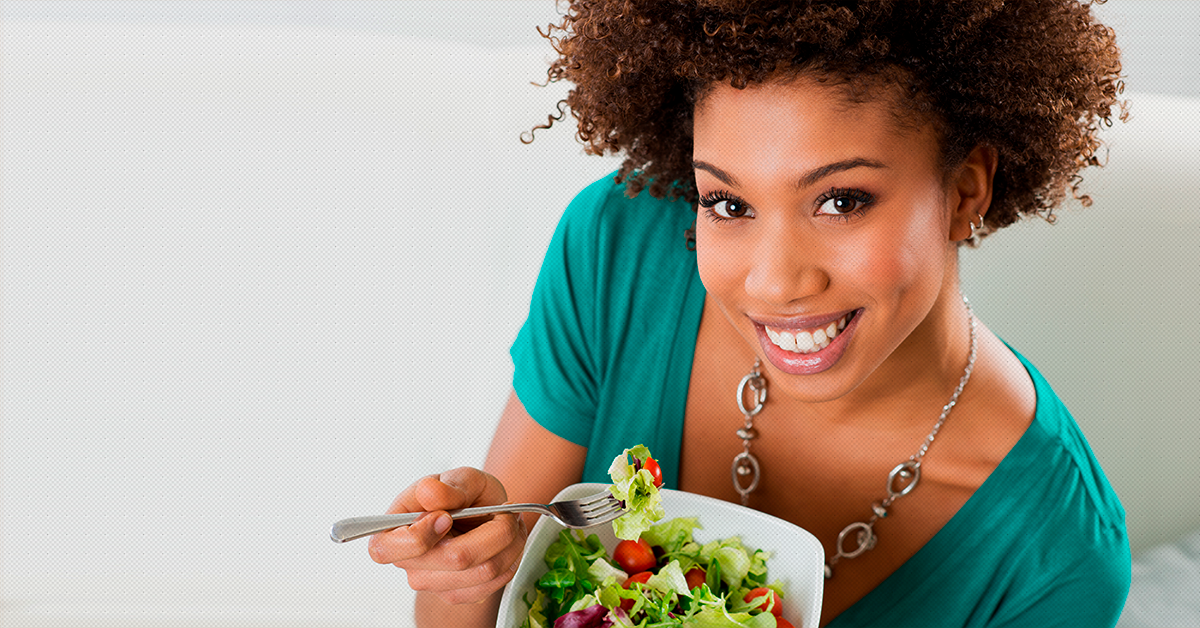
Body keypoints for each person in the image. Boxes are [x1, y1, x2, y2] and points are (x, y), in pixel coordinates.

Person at [366, 1, 1131, 626]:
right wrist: (464, 570)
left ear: (964, 192)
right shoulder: (623, 249)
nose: (773, 283)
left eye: (840, 201)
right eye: (728, 203)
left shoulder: (1054, 560)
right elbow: (476, 604)